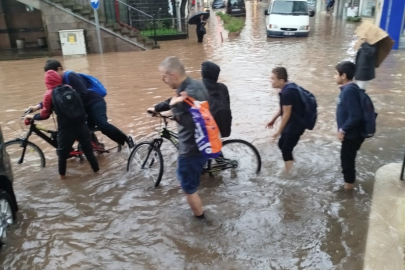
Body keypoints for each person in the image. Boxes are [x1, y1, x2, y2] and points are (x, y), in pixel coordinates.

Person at [148, 56, 210, 218]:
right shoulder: (195, 85)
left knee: (188, 188)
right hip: (202, 144)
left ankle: (201, 221)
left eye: (164, 76)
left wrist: (174, 108)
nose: (164, 80)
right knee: (188, 182)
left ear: (173, 75)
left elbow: (192, 123)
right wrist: (160, 109)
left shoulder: (186, 95)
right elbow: (180, 105)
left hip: (191, 149)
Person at [29, 59, 134, 149]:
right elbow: (53, 97)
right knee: (84, 131)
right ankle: (95, 147)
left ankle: (127, 139)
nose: (52, 76)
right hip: (84, 108)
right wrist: (37, 107)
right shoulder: (57, 83)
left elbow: (83, 93)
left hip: (94, 102)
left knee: (102, 124)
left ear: (60, 69)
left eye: (53, 73)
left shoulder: (70, 76)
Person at [25, 70, 99, 180]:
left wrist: (32, 117)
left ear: (47, 82)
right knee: (89, 152)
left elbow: (45, 115)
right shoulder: (69, 87)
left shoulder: (49, 94)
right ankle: (97, 174)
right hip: (81, 124)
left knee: (62, 155)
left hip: (66, 129)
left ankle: (63, 180)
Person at [266, 67, 305, 174]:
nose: (271, 80)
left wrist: (278, 132)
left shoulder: (287, 92)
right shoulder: (287, 88)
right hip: (294, 123)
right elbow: (283, 108)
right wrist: (273, 119)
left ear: (281, 80)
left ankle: (289, 174)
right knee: (282, 144)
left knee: (286, 148)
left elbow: (287, 114)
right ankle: (292, 164)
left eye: (273, 78)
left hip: (295, 125)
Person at [334, 61, 364, 190]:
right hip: (352, 134)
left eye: (336, 74)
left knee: (347, 163)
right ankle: (349, 186)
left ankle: (348, 193)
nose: (334, 76)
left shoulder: (349, 91)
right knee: (347, 161)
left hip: (352, 135)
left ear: (343, 75)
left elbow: (355, 115)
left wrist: (342, 130)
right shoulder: (349, 89)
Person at [201, 61, 232, 137]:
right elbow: (228, 105)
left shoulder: (199, 87)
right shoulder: (223, 87)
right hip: (223, 125)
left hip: (206, 127)